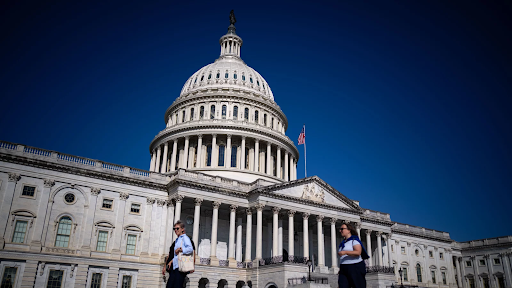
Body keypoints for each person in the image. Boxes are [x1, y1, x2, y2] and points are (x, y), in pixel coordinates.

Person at [338, 223, 367, 288]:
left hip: (355, 267)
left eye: (342, 229)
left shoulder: (354, 240)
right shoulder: (343, 243)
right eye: (340, 229)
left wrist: (345, 252)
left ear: (349, 230)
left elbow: (358, 252)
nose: (340, 231)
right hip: (344, 268)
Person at [168, 220, 194, 288]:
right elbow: (177, 255)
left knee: (177, 285)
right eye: (174, 229)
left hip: (181, 266)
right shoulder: (177, 240)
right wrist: (171, 261)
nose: (175, 230)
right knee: (170, 285)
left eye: (177, 228)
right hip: (175, 266)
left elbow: (190, 249)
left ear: (182, 229)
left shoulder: (185, 238)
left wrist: (181, 249)